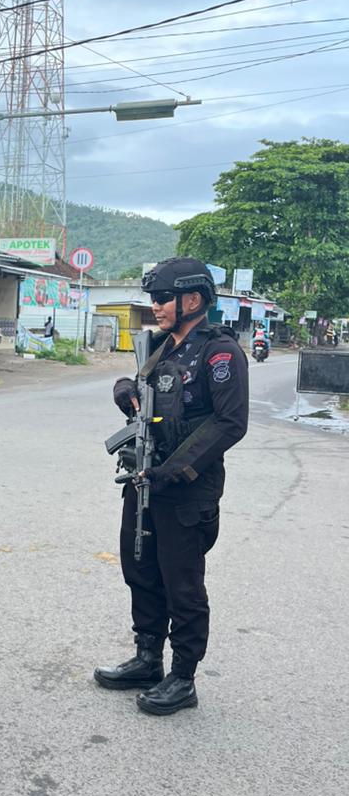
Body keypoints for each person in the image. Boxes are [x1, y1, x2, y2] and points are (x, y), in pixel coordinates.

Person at [95, 258, 249, 715]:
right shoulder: (161, 347)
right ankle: (148, 659)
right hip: (145, 480)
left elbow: (230, 422)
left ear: (193, 300)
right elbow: (144, 387)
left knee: (182, 584)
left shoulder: (219, 353)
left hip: (185, 488)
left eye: (163, 298)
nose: (156, 306)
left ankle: (183, 677)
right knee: (141, 569)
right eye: (154, 299)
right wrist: (125, 388)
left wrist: (174, 470)